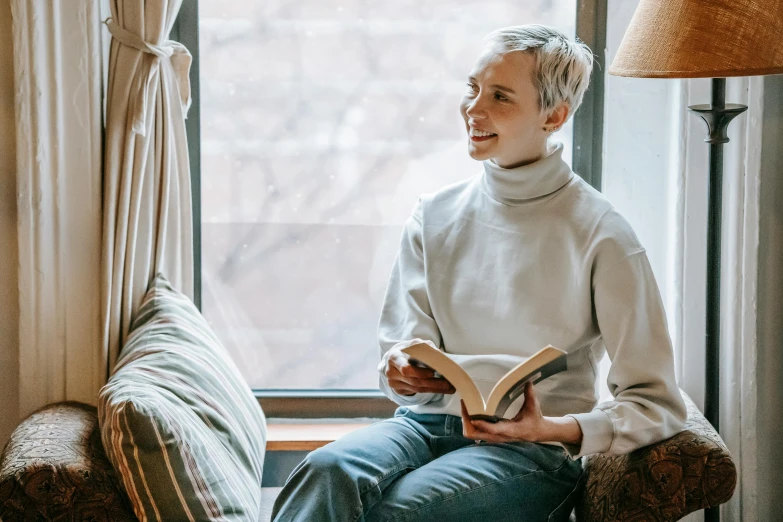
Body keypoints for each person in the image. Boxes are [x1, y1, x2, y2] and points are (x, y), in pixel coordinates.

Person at [271, 24, 687, 522]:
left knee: (394, 512)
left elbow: (656, 403)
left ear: (553, 115)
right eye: (472, 88)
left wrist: (551, 429)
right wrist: (399, 372)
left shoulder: (604, 234)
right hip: (422, 427)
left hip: (529, 455)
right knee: (324, 471)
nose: (473, 109)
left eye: (500, 97)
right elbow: (401, 351)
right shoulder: (435, 214)